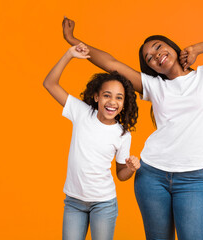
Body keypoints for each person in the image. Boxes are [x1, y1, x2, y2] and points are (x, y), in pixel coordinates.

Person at [62, 17, 203, 240]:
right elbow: (111, 64)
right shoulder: (154, 86)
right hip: (152, 176)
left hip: (192, 179)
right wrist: (72, 40)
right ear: (150, 67)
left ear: (172, 46)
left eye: (158, 47)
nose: (155, 56)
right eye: (149, 58)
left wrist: (197, 48)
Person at [43, 43, 141, 240]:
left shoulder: (122, 135)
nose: (112, 102)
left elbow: (121, 175)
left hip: (104, 204)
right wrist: (68, 55)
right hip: (74, 202)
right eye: (107, 95)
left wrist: (131, 167)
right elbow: (50, 84)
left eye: (119, 98)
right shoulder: (82, 113)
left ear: (124, 103)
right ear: (96, 97)